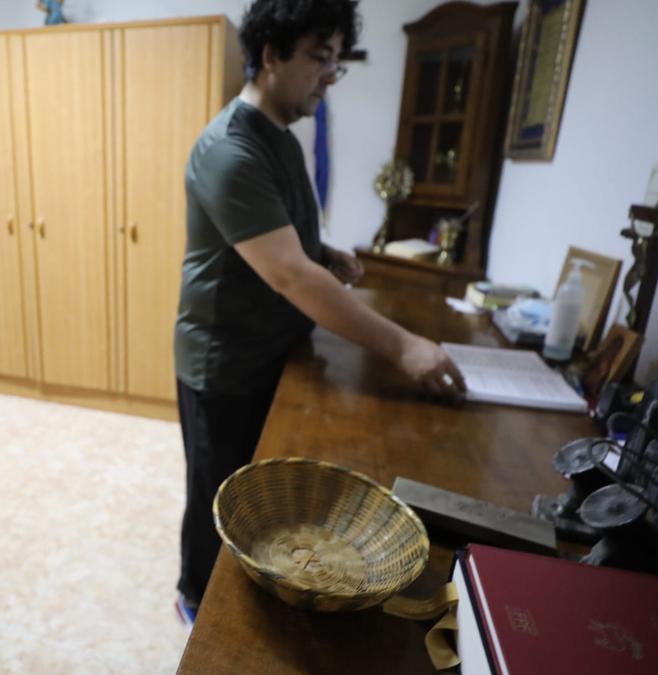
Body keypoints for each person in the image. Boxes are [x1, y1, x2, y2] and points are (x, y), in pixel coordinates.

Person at [172, 0, 466, 623]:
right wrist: (405, 346)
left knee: (260, 494)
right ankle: (196, 598)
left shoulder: (281, 136)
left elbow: (281, 241)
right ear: (273, 56)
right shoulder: (230, 148)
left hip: (273, 345)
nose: (331, 74)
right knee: (216, 495)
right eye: (320, 58)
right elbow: (286, 273)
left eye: (337, 60)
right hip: (224, 359)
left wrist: (322, 250)